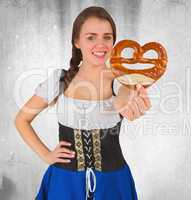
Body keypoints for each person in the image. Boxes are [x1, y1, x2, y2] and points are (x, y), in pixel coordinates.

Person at [14, 6, 151, 200]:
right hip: (64, 183)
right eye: (91, 37)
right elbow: (21, 120)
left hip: (113, 184)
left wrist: (134, 105)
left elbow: (125, 101)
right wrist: (46, 155)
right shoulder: (60, 80)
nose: (100, 44)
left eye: (107, 37)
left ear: (113, 41)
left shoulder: (123, 80)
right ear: (77, 41)